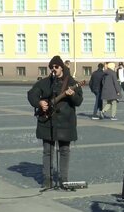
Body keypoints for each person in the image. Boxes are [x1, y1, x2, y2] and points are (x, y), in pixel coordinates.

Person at [27, 55, 84, 189]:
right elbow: (31, 94)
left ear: (62, 67)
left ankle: (64, 179)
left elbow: (79, 101)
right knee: (48, 151)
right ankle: (47, 179)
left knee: (64, 151)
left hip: (66, 122)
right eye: (51, 67)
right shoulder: (46, 82)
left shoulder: (71, 82)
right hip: (47, 122)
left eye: (56, 67)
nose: (54, 69)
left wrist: (73, 95)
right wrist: (39, 102)